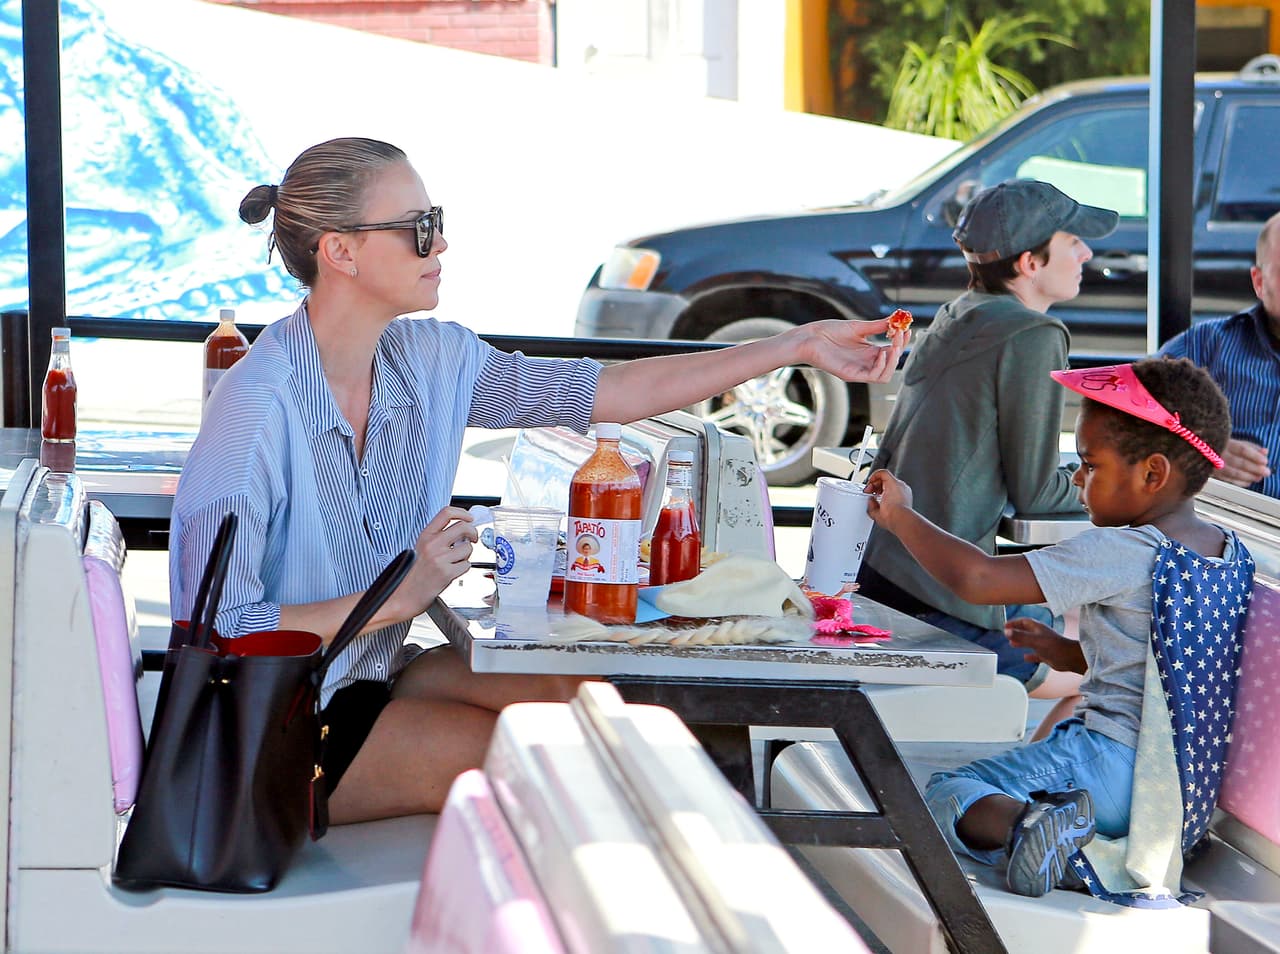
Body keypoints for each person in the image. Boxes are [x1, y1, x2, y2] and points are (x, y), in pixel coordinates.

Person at [169, 136, 909, 826]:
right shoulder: (255, 412)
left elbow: (606, 393)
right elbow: (221, 630)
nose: (442, 243)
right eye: (419, 227)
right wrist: (402, 594)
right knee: (565, 771)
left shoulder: (432, 360)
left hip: (367, 680)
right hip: (267, 732)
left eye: (439, 221)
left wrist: (797, 344)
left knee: (590, 704)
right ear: (341, 251)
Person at [864, 357, 1253, 899]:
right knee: (1046, 734)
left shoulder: (1125, 547)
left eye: (1090, 465)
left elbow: (978, 579)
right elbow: (1167, 666)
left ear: (1153, 474)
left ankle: (1057, 844)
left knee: (946, 788)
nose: (1076, 480)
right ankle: (1059, 835)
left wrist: (902, 515)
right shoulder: (1227, 554)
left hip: (1112, 769)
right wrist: (1067, 652)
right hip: (1178, 789)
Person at [857, 178, 1120, 702]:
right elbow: (1039, 493)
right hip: (940, 597)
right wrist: (1108, 480)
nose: (1087, 253)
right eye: (1073, 242)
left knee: (1080, 626)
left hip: (883, 570)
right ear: (1030, 263)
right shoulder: (1032, 334)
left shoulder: (960, 313)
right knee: (1111, 682)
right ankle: (1030, 785)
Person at [1159, 209, 1280, 498]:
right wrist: (1197, 454)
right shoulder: (1205, 347)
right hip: (1221, 533)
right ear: (1259, 282)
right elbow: (1121, 421)